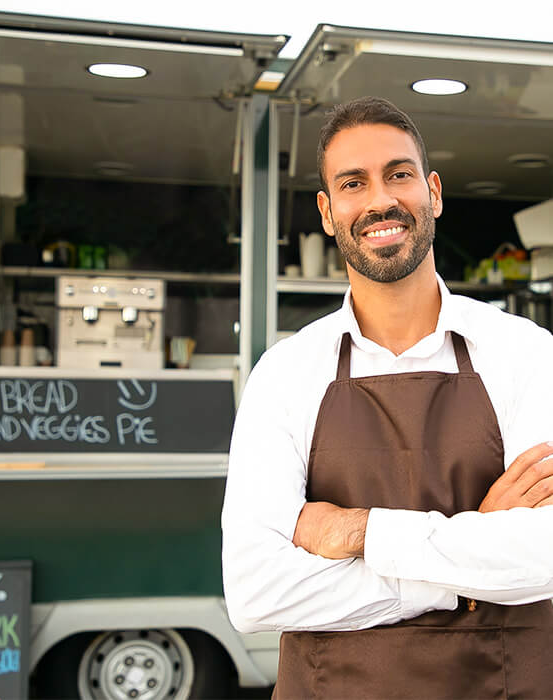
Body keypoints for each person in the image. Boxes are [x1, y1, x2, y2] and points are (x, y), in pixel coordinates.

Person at [221, 96, 553, 699]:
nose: (379, 200)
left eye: (398, 174)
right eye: (353, 183)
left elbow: (546, 555)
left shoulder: (527, 354)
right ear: (327, 212)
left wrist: (360, 532)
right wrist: (470, 562)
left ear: (433, 192)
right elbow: (254, 590)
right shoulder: (286, 374)